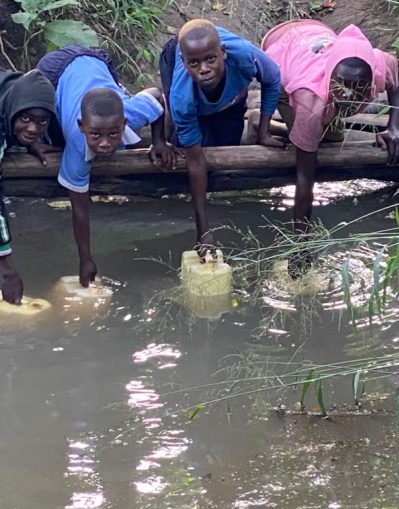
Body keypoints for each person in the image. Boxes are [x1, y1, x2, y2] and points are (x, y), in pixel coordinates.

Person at [261, 20, 399, 277]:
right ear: (330, 75)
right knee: (310, 140)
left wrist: (394, 128)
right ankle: (258, 122)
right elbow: (304, 181)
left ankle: (301, 131)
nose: (348, 95)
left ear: (372, 79)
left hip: (314, 32)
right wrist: (301, 244)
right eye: (342, 84)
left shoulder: (378, 64)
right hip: (279, 51)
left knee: (331, 135)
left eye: (359, 86)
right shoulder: (311, 101)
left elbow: (398, 75)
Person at [37, 45, 176, 287]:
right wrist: (85, 260)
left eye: (113, 134)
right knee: (52, 139)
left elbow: (156, 96)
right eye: (95, 135)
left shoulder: (131, 114)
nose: (104, 144)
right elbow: (80, 208)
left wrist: (159, 142)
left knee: (117, 110)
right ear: (82, 127)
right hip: (55, 72)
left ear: (124, 123)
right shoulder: (77, 143)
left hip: (96, 61)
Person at [160, 19, 282, 258]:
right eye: (194, 63)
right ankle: (170, 127)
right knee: (187, 151)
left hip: (230, 97)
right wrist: (203, 231)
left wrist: (265, 131)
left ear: (223, 53)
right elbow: (195, 160)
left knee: (226, 151)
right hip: (188, 92)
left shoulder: (244, 57)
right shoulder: (182, 97)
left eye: (210, 60)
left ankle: (253, 122)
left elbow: (273, 78)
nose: (204, 69)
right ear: (184, 63)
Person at [0, 68, 56, 303]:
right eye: (25, 119)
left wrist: (27, 142)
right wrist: (7, 269)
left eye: (42, 122)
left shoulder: (14, 91)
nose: (33, 129)